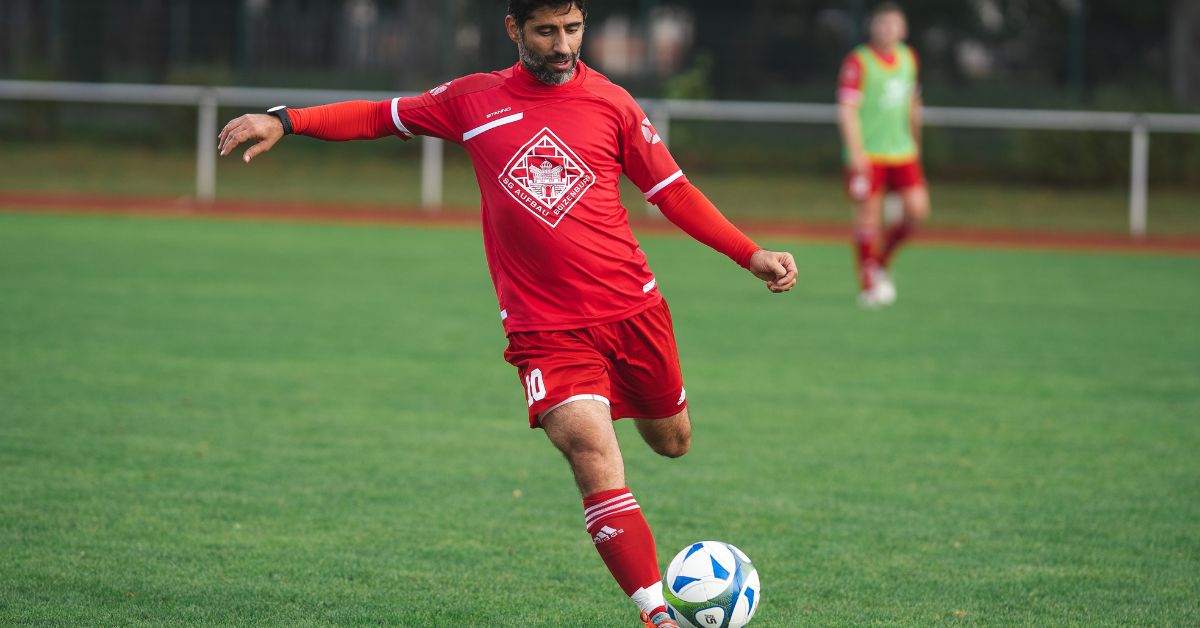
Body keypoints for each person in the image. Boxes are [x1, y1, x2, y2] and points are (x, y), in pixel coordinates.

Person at [216, 1, 796, 626]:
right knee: (591, 453)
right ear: (514, 29)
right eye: (547, 32)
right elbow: (377, 116)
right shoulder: (471, 100)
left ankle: (637, 431)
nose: (563, 46)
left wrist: (750, 254)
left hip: (633, 310)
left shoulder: (614, 104)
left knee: (673, 442)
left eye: (573, 30)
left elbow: (672, 192)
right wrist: (286, 119)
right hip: (543, 329)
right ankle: (655, 614)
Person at [836, 1, 930, 308]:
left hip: (903, 151)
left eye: (894, 23)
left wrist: (916, 141)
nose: (888, 29)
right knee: (869, 219)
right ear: (872, 27)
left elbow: (914, 104)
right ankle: (868, 285)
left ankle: (879, 263)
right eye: (882, 23)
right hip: (870, 154)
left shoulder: (909, 58)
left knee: (917, 211)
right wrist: (856, 154)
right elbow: (847, 111)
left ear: (903, 29)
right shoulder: (858, 61)